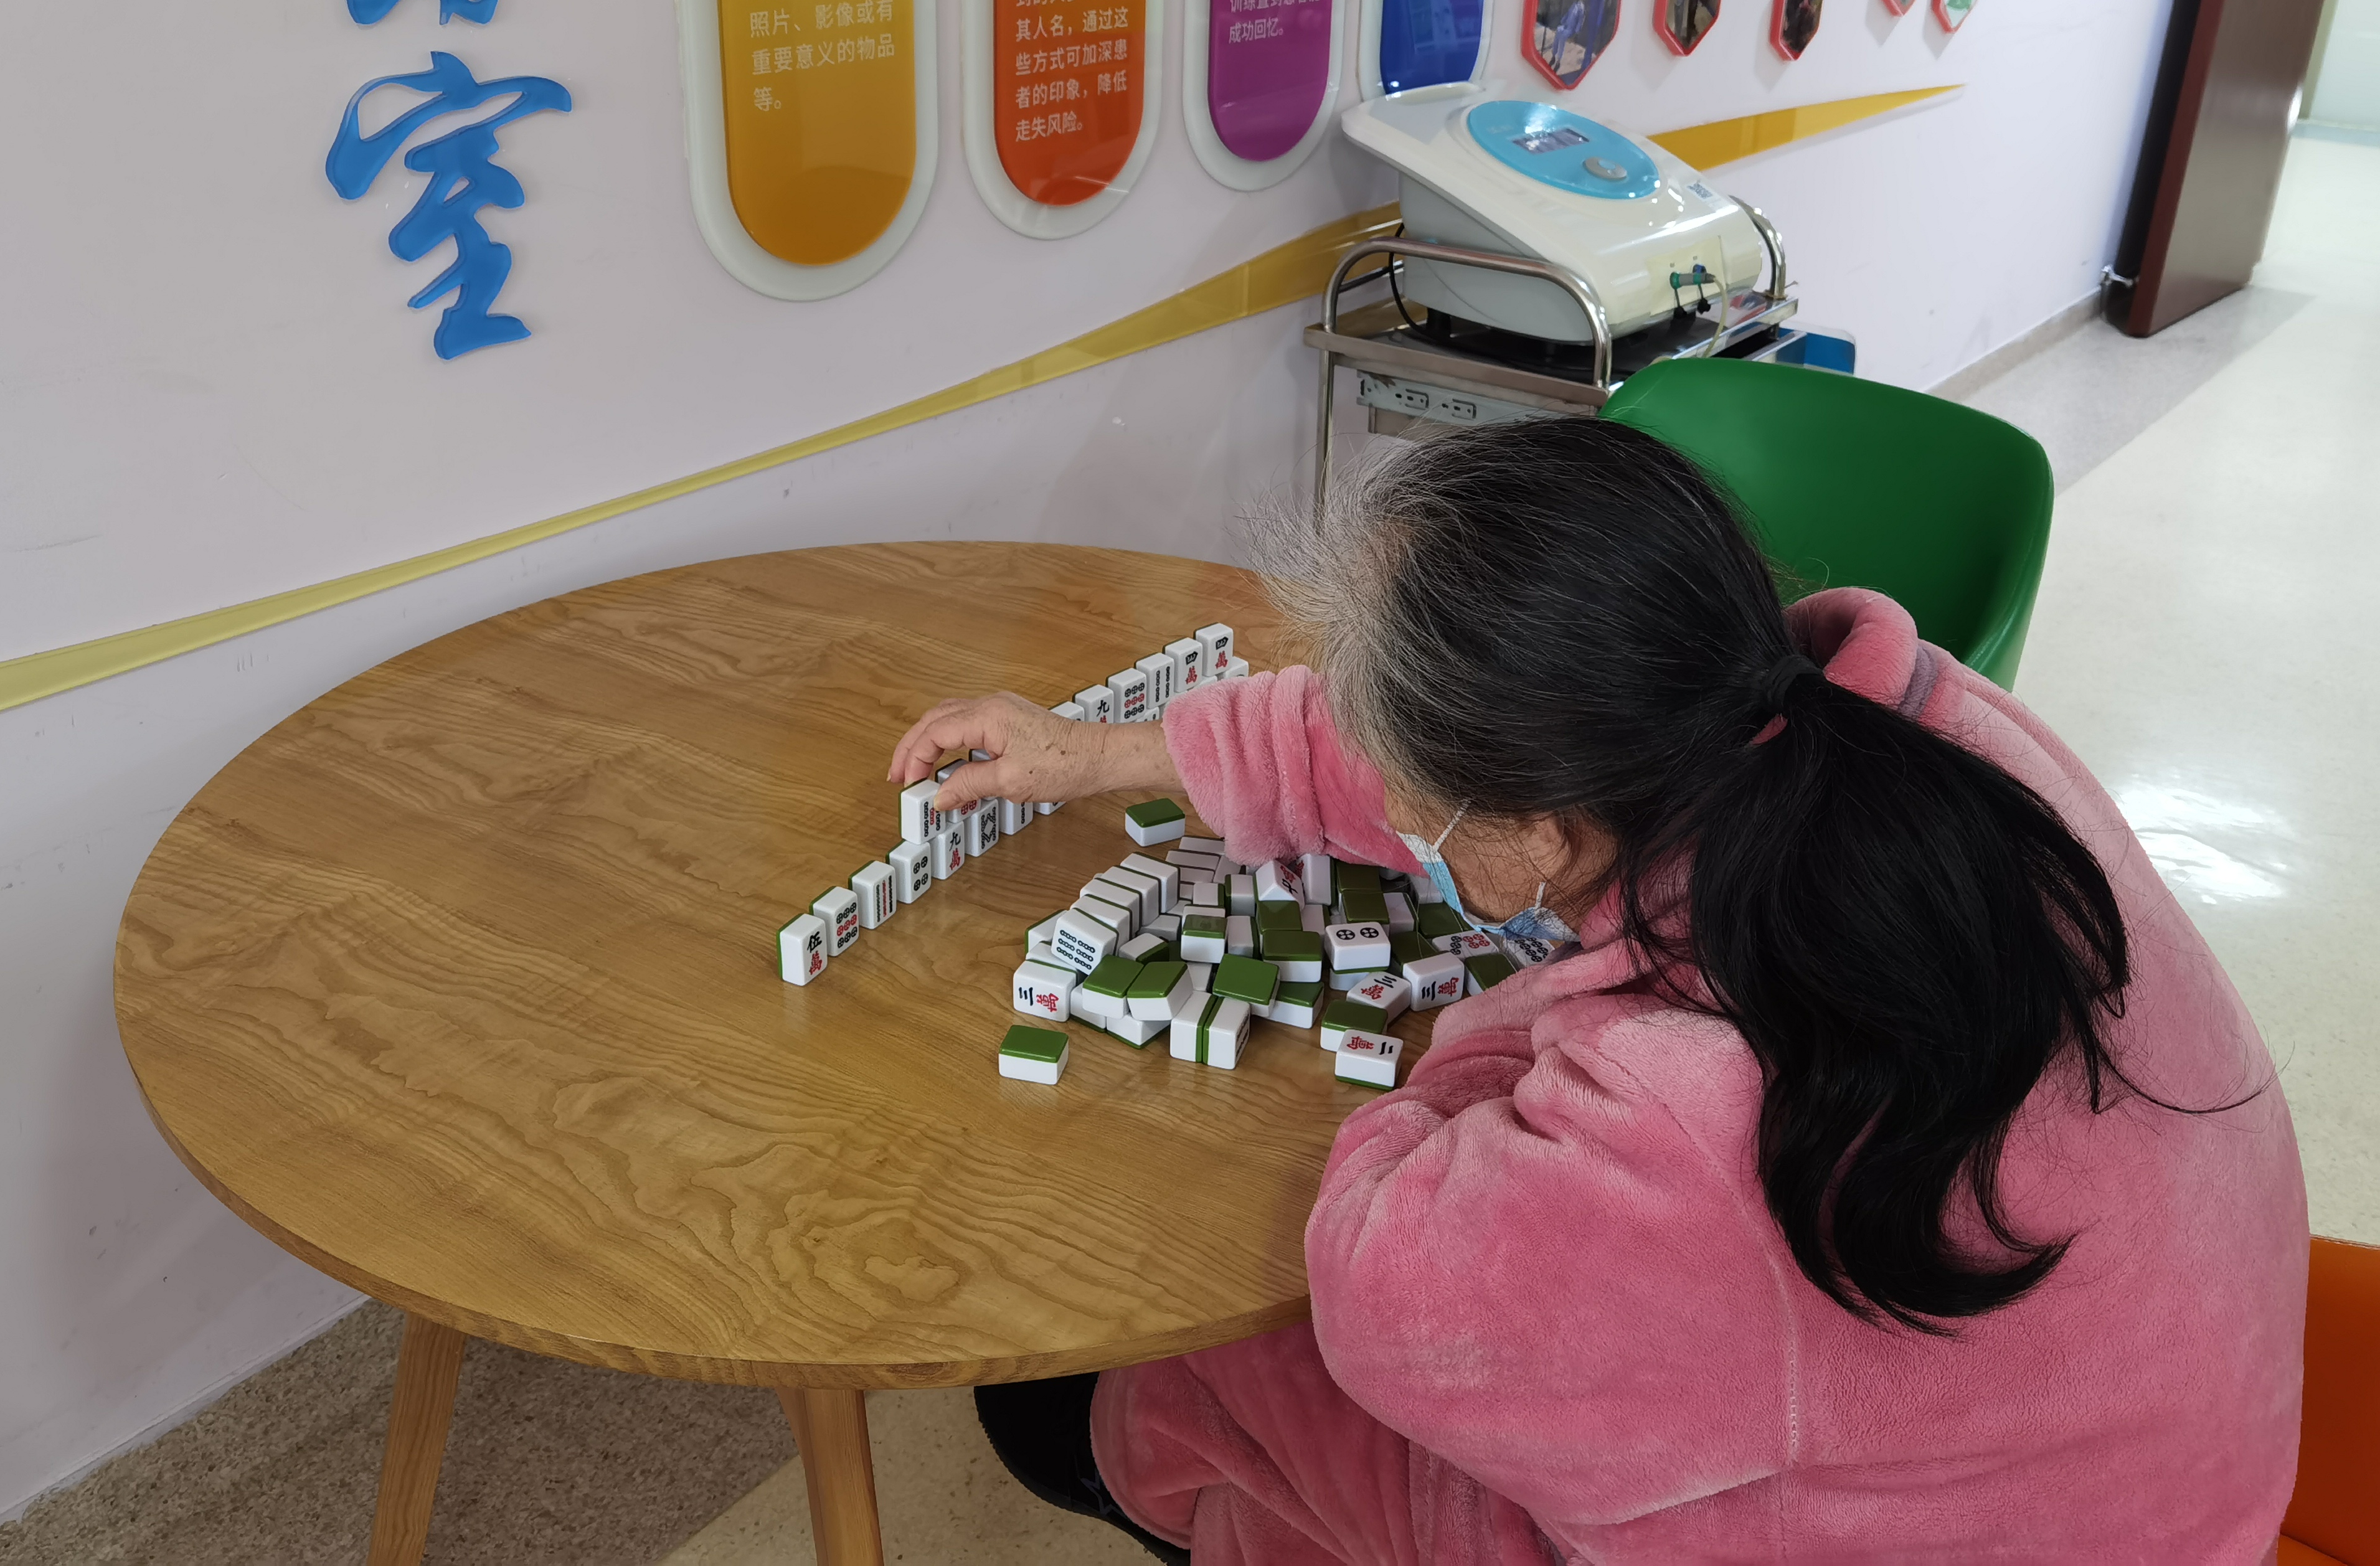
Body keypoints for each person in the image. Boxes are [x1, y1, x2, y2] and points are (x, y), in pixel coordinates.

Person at [890, 420, 2307, 1564]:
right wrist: (1103, 754)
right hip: (2153, 1455)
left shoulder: (1690, 1111)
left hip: (1992, 1530)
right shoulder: (1904, 730)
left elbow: (1387, 1288)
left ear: (1539, 831)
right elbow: (1477, 743)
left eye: (1405, 787)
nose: (1385, 803)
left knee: (1089, 1408)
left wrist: (1489, 1039)